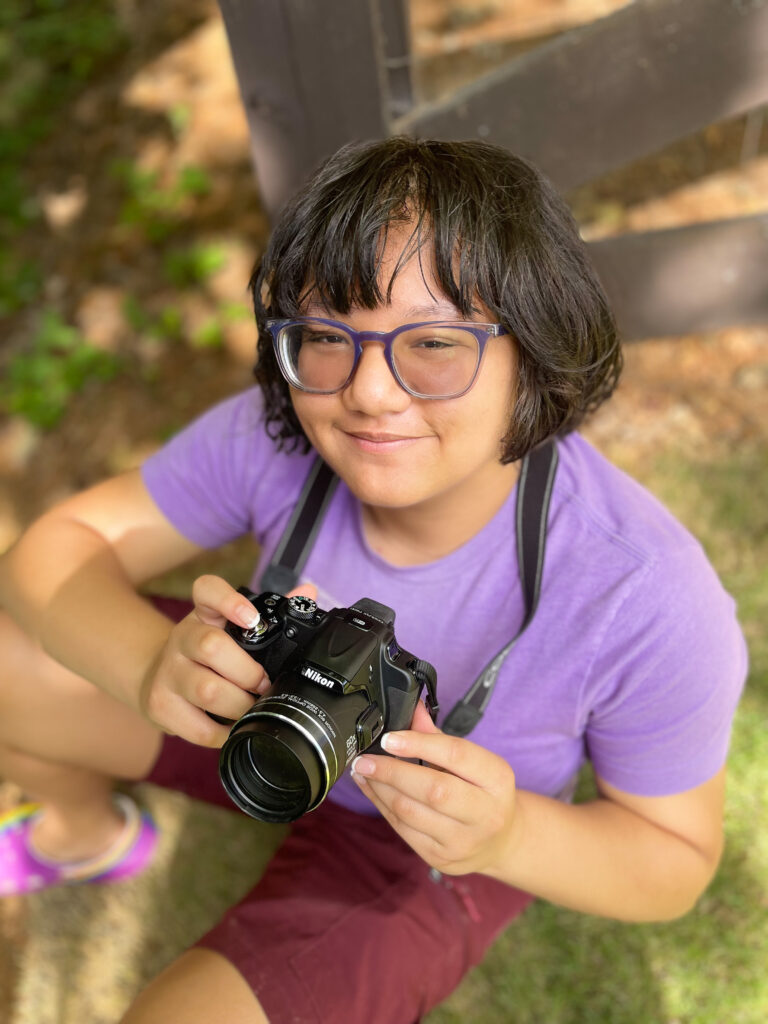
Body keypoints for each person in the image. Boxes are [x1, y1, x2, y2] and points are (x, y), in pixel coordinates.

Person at [0, 137, 747, 1024]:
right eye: (326, 337)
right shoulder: (272, 435)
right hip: (259, 722)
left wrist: (508, 834)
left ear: (538, 354)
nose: (370, 392)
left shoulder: (644, 593)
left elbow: (672, 862)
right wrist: (148, 665)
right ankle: (88, 834)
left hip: (431, 848)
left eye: (434, 342)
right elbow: (54, 548)